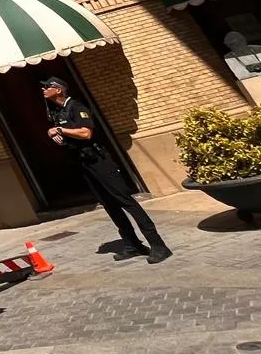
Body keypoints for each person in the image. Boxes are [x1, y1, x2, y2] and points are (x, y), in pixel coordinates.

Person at [42, 76, 172, 264]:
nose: (44, 90)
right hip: (84, 164)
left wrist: (60, 131)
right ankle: (132, 244)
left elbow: (86, 133)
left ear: (59, 90)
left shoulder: (76, 107)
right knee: (109, 205)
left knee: (125, 201)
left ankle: (158, 244)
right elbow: (61, 131)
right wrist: (53, 132)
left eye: (47, 86)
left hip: (99, 162)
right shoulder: (58, 112)